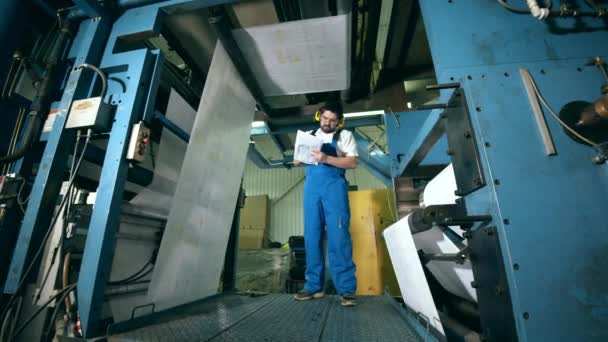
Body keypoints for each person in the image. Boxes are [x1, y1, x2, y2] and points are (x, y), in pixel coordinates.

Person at [292, 101, 358, 307]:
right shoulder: (308, 136)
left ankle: (346, 290)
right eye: (326, 118)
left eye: (333, 121)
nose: (328, 123)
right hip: (312, 189)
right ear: (319, 116)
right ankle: (313, 286)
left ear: (339, 121)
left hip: (334, 189)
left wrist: (327, 158)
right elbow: (299, 160)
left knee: (339, 238)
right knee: (311, 237)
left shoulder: (344, 136)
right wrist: (298, 159)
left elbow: (352, 162)